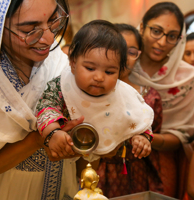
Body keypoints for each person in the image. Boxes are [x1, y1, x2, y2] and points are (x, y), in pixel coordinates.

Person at [0, 0, 89, 199]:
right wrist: (38, 140)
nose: (48, 39)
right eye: (30, 29)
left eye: (54, 21)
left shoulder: (61, 65)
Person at [36, 19, 154, 164]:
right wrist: (53, 132)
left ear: (120, 71)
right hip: (60, 159)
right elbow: (46, 107)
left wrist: (141, 137)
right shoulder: (62, 86)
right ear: (73, 63)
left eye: (110, 72)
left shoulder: (121, 94)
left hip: (101, 164)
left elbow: (138, 117)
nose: (99, 77)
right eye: (90, 68)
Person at [128, 2, 194, 199]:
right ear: (142, 27)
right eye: (156, 31)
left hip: (163, 162)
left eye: (171, 36)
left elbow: (185, 134)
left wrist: (143, 138)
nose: (162, 42)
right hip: (116, 161)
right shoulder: (121, 68)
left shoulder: (188, 78)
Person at [96, 23, 164, 198]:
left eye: (132, 51)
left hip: (140, 173)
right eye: (118, 48)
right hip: (100, 170)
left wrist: (144, 139)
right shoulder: (91, 93)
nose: (124, 57)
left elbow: (153, 134)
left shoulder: (149, 97)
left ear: (139, 56)